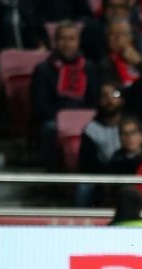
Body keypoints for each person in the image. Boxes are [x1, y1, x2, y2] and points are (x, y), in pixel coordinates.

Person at [30, 21, 99, 169]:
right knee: (50, 129)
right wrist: (64, 120)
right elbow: (40, 106)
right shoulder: (43, 70)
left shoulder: (89, 68)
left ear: (78, 42)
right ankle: (52, 176)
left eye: (71, 39)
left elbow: (94, 101)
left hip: (84, 120)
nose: (67, 44)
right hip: (54, 119)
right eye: (62, 39)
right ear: (55, 42)